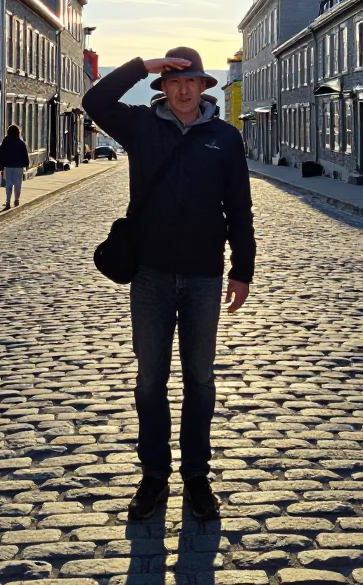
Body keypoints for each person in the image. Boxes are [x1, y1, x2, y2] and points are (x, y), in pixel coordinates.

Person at [83, 47, 255, 523]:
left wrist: (243, 269)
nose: (183, 90)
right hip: (152, 275)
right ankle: (154, 476)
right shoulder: (141, 127)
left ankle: (197, 477)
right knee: (150, 380)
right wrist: (144, 65)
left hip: (204, 276)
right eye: (174, 81)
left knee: (200, 380)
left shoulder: (225, 137)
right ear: (164, 87)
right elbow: (93, 103)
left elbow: (239, 208)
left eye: (191, 81)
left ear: (204, 87)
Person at [0, 124, 30, 209]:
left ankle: (8, 201)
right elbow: (25, 154)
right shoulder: (20, 142)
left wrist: (1, 166)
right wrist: (26, 164)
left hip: (8, 165)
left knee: (8, 184)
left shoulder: (5, 141)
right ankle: (16, 199)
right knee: (18, 183)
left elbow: (1, 153)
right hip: (18, 166)